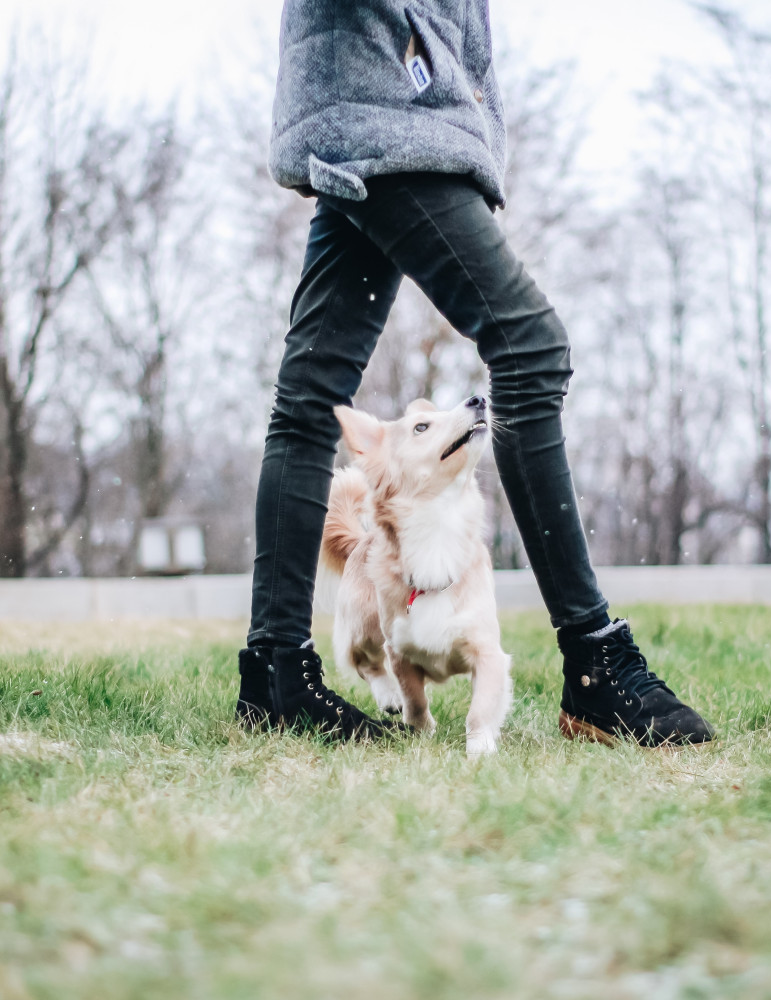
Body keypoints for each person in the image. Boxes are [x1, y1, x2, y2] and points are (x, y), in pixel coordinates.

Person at [234, 0, 713, 747]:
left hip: (374, 105)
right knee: (529, 349)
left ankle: (274, 678)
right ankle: (595, 665)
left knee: (307, 404)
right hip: (389, 108)